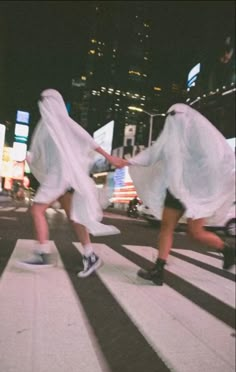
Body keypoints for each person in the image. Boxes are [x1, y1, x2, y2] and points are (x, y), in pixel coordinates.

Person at [19, 89, 126, 277]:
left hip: (63, 176)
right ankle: (90, 255)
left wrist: (110, 158)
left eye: (47, 100)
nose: (44, 104)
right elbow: (37, 151)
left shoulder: (62, 122)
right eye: (42, 101)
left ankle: (43, 253)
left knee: (37, 210)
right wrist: (29, 158)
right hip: (61, 177)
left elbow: (88, 140)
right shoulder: (45, 125)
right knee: (74, 217)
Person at [125, 103, 235, 286]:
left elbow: (214, 162)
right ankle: (158, 270)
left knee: (196, 233)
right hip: (175, 189)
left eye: (176, 116)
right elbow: (153, 153)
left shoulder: (202, 139)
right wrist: (128, 161)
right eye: (170, 116)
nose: (173, 120)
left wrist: (201, 183)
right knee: (166, 227)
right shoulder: (170, 139)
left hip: (197, 192)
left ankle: (227, 250)